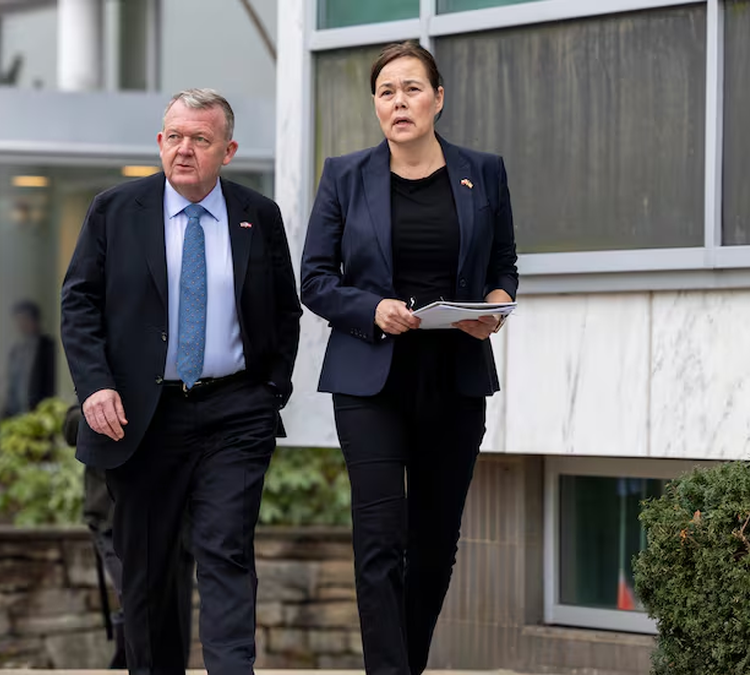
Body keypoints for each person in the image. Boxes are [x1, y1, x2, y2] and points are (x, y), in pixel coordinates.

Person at [60, 88, 302, 675]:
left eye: (200, 139)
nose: (184, 149)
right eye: (174, 137)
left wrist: (270, 390)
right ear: (160, 142)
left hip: (234, 412)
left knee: (226, 552)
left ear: (228, 150)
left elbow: (283, 310)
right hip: (143, 415)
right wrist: (95, 386)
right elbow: (79, 303)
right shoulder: (115, 210)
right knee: (147, 568)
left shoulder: (258, 214)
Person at [299, 41, 518, 674]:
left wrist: (494, 309)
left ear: (438, 99)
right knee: (378, 541)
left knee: (434, 546)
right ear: (376, 104)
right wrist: (372, 308)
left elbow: (503, 265)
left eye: (412, 89)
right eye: (386, 91)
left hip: (455, 377)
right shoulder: (345, 175)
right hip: (370, 381)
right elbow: (315, 279)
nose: (399, 101)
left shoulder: (484, 172)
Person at [63, 404, 195, 669]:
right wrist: (108, 416)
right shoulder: (105, 383)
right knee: (139, 601)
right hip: (112, 517)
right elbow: (71, 426)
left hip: (174, 516)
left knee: (172, 612)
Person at [1, 300, 56, 420]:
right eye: (19, 320)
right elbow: (12, 384)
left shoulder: (48, 347)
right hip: (17, 413)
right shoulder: (16, 350)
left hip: (40, 412)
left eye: (25, 319)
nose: (22, 325)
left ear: (35, 320)